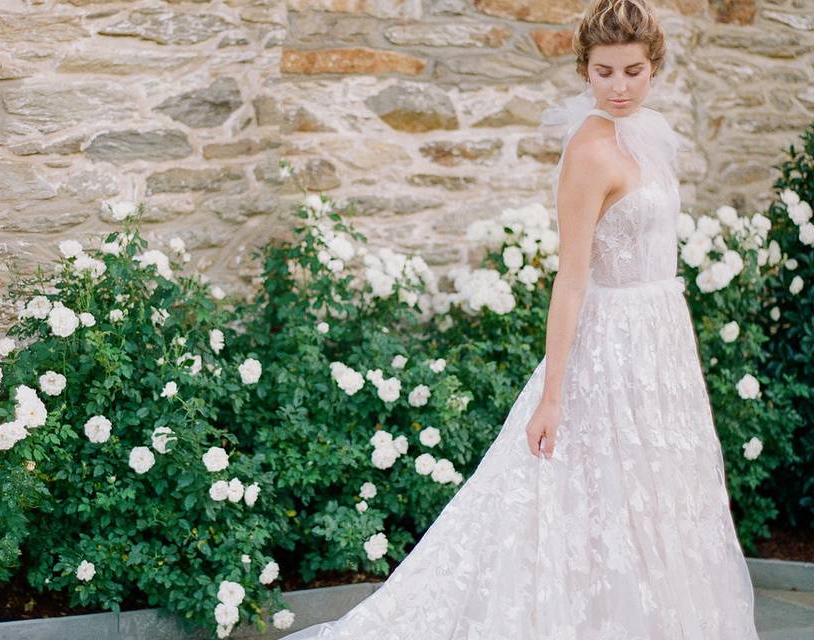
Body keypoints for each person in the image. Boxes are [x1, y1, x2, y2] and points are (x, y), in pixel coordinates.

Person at [277, 0, 760, 637]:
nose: (619, 87)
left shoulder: (650, 134)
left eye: (633, 72)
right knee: (581, 498)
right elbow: (573, 276)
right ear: (584, 72)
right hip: (608, 345)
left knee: (650, 497)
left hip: (659, 342)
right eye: (605, 72)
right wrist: (553, 396)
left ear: (654, 69)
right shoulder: (590, 151)